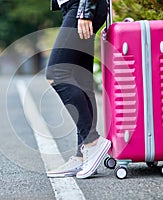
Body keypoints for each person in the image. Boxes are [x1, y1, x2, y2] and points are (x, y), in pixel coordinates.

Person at [46, 0, 111, 179]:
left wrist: (86, 12)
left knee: (56, 73)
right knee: (81, 80)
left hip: (82, 5)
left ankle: (92, 141)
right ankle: (82, 156)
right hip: (72, 7)